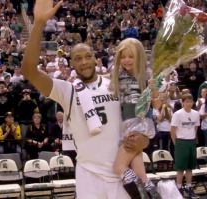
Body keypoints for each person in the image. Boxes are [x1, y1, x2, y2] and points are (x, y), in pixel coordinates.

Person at [22, 1, 149, 198]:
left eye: (88, 56)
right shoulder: (67, 90)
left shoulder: (115, 84)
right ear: (71, 63)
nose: (84, 62)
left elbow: (137, 118)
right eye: (78, 58)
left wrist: (144, 140)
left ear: (95, 59)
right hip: (89, 174)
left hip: (121, 172)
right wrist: (38, 23)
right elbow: (29, 71)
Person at [110, 38, 161, 199]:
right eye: (123, 57)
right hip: (127, 125)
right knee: (140, 172)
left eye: (131, 56)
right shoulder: (119, 76)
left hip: (139, 125)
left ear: (139, 56)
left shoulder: (146, 75)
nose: (126, 60)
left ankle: (140, 195)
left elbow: (157, 105)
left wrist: (153, 89)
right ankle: (152, 192)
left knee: (119, 167)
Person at [171, 93, 200, 199]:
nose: (189, 103)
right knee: (180, 168)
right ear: (183, 102)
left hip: (191, 141)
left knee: (190, 168)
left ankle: (189, 188)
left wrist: (192, 138)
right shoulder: (177, 114)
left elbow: (195, 128)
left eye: (190, 101)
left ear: (193, 102)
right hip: (181, 142)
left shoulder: (196, 114)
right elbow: (173, 131)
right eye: (186, 101)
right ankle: (179, 188)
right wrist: (177, 143)